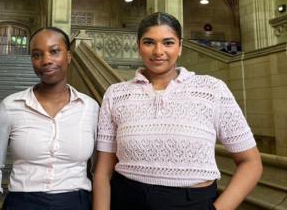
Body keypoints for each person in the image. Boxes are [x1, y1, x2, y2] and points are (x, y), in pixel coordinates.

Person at [93, 12, 262, 210]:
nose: (158, 51)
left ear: (180, 46)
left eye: (168, 42)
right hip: (127, 199)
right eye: (149, 42)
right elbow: (103, 172)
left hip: (193, 202)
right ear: (138, 46)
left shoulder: (212, 90)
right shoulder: (115, 94)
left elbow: (251, 162)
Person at [0, 27, 99, 210]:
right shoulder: (10, 106)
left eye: (54, 51)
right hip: (23, 202)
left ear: (68, 56)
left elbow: (99, 169)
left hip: (76, 202)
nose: (46, 60)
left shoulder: (90, 108)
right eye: (37, 55)